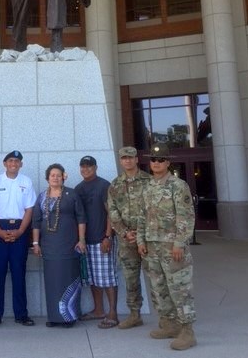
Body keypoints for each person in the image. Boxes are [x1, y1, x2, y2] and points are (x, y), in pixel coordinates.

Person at [137, 143, 197, 351]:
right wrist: (141, 241)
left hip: (173, 247)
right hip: (152, 247)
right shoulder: (147, 187)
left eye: (161, 159)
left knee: (180, 289)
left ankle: (187, 331)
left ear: (168, 162)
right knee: (159, 288)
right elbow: (141, 217)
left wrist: (179, 242)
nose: (156, 163)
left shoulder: (178, 186)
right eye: (153, 160)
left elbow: (186, 217)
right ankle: (169, 325)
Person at [0, 150, 37, 328]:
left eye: (17, 161)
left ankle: (21, 314)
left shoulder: (26, 181)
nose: (14, 163)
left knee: (19, 274)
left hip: (19, 231)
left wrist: (21, 231)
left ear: (21, 164)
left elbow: (30, 209)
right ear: (5, 163)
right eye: (11, 160)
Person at [32, 164, 86, 327]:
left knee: (68, 278)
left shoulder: (72, 194)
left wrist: (81, 239)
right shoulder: (41, 197)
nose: (55, 178)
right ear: (47, 178)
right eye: (52, 175)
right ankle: (54, 317)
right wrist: (36, 243)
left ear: (64, 176)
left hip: (69, 245)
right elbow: (36, 221)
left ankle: (69, 316)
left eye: (58, 175)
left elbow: (81, 218)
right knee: (52, 281)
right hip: (49, 246)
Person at [107, 146, 151, 329]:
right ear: (120, 160)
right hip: (126, 240)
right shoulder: (115, 185)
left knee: (157, 278)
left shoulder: (149, 181)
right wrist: (124, 232)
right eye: (124, 158)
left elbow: (154, 209)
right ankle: (135, 315)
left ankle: (167, 318)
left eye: (130, 157)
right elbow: (112, 211)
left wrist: (140, 233)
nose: (127, 161)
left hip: (148, 238)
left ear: (136, 159)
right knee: (131, 279)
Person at [75, 155, 119, 329]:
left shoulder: (104, 185)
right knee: (93, 278)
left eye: (89, 166)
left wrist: (108, 236)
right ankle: (99, 310)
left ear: (96, 167)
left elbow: (111, 213)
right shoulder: (78, 188)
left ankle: (113, 314)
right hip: (87, 241)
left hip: (102, 240)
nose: (86, 169)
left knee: (108, 278)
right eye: (83, 166)